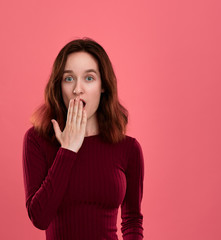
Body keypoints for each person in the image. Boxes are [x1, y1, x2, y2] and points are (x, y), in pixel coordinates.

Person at [22, 38, 144, 240]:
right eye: (69, 79)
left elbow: (132, 221)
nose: (78, 89)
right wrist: (68, 150)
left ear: (103, 85)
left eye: (89, 78)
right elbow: (39, 218)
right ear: (59, 86)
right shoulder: (37, 139)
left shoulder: (128, 148)